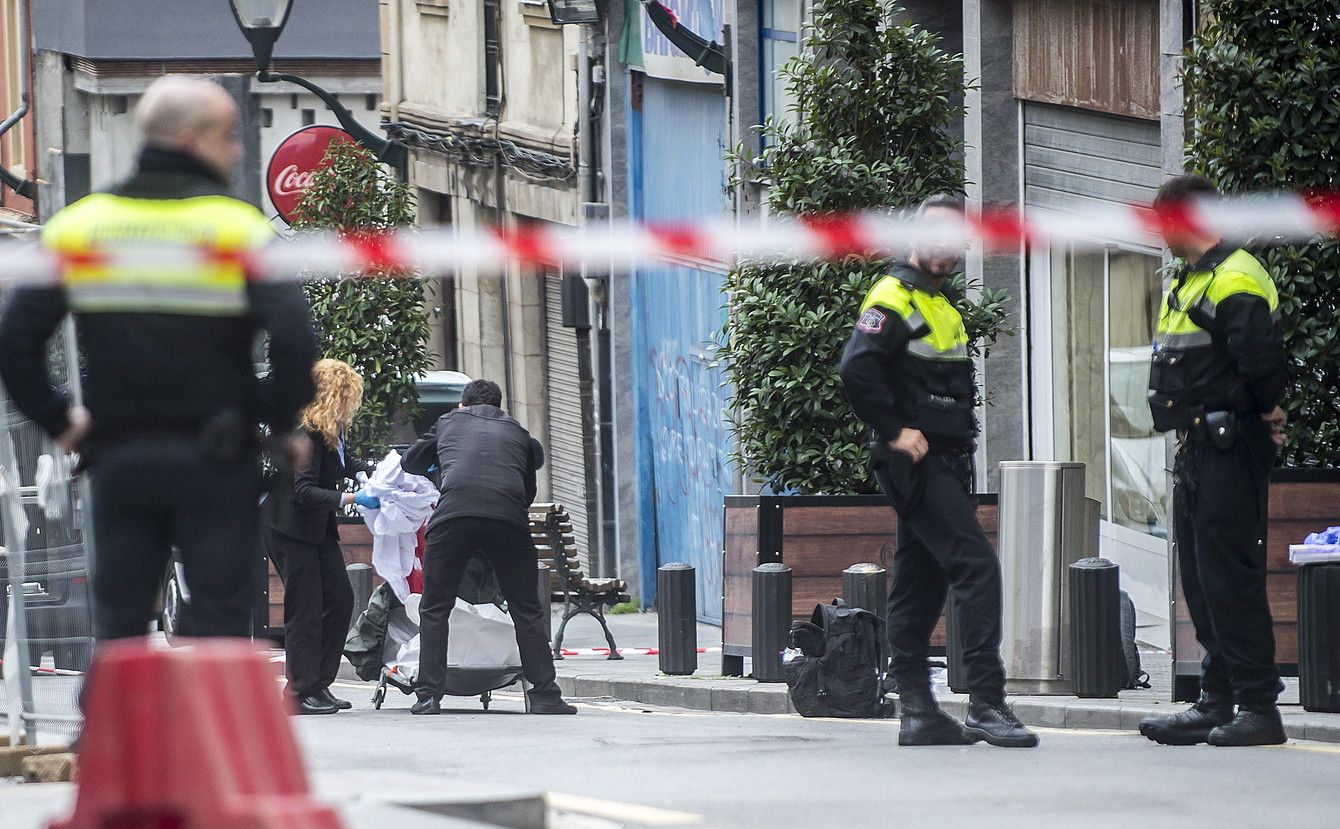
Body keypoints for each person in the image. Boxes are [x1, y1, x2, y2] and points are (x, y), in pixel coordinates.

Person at [0, 76, 316, 643]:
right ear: (194, 139)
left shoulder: (82, 226)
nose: (237, 150)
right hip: (218, 457)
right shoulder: (238, 229)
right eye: (227, 137)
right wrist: (274, 417)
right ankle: (216, 732)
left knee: (119, 627)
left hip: (119, 454)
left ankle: (109, 731)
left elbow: (15, 340)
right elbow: (295, 340)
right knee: (221, 623)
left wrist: (58, 420)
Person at [839, 194, 1038, 748]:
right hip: (919, 467)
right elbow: (856, 369)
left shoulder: (940, 303)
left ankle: (919, 711)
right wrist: (895, 431)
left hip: (946, 463)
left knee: (919, 586)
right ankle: (986, 702)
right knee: (977, 569)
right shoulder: (892, 296)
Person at [1138, 174, 1288, 747]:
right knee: (1201, 581)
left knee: (1231, 579)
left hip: (1231, 448)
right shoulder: (1194, 279)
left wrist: (1264, 414)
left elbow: (1263, 367)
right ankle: (1218, 699)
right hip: (1199, 450)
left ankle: (1257, 706)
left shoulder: (1237, 277)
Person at [401, 379, 576, 715]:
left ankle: (428, 696)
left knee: (435, 607)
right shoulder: (518, 432)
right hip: (507, 520)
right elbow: (527, 493)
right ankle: (544, 695)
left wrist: (442, 470)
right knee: (526, 609)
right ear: (499, 405)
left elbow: (410, 461)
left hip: (453, 517)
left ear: (464, 404)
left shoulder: (449, 422)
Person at [269, 359, 381, 715]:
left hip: (315, 529)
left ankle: (317, 683)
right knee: (304, 609)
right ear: (335, 397)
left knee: (341, 598)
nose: (352, 405)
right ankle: (299, 692)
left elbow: (341, 466)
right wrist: (351, 498)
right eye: (348, 397)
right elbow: (303, 489)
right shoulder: (307, 433)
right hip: (289, 529)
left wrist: (374, 471)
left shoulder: (332, 432)